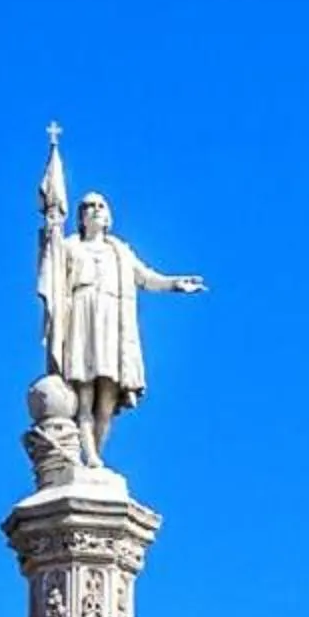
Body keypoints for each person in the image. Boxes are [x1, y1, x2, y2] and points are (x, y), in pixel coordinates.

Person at [36, 172, 203, 462]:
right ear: (80, 216)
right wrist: (51, 229)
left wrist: (175, 284)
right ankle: (90, 457)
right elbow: (50, 266)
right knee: (84, 394)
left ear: (109, 216)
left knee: (108, 397)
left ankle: (93, 455)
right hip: (83, 317)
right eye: (89, 206)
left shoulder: (120, 251)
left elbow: (147, 277)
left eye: (101, 205)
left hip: (113, 322)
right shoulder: (71, 247)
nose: (96, 210)